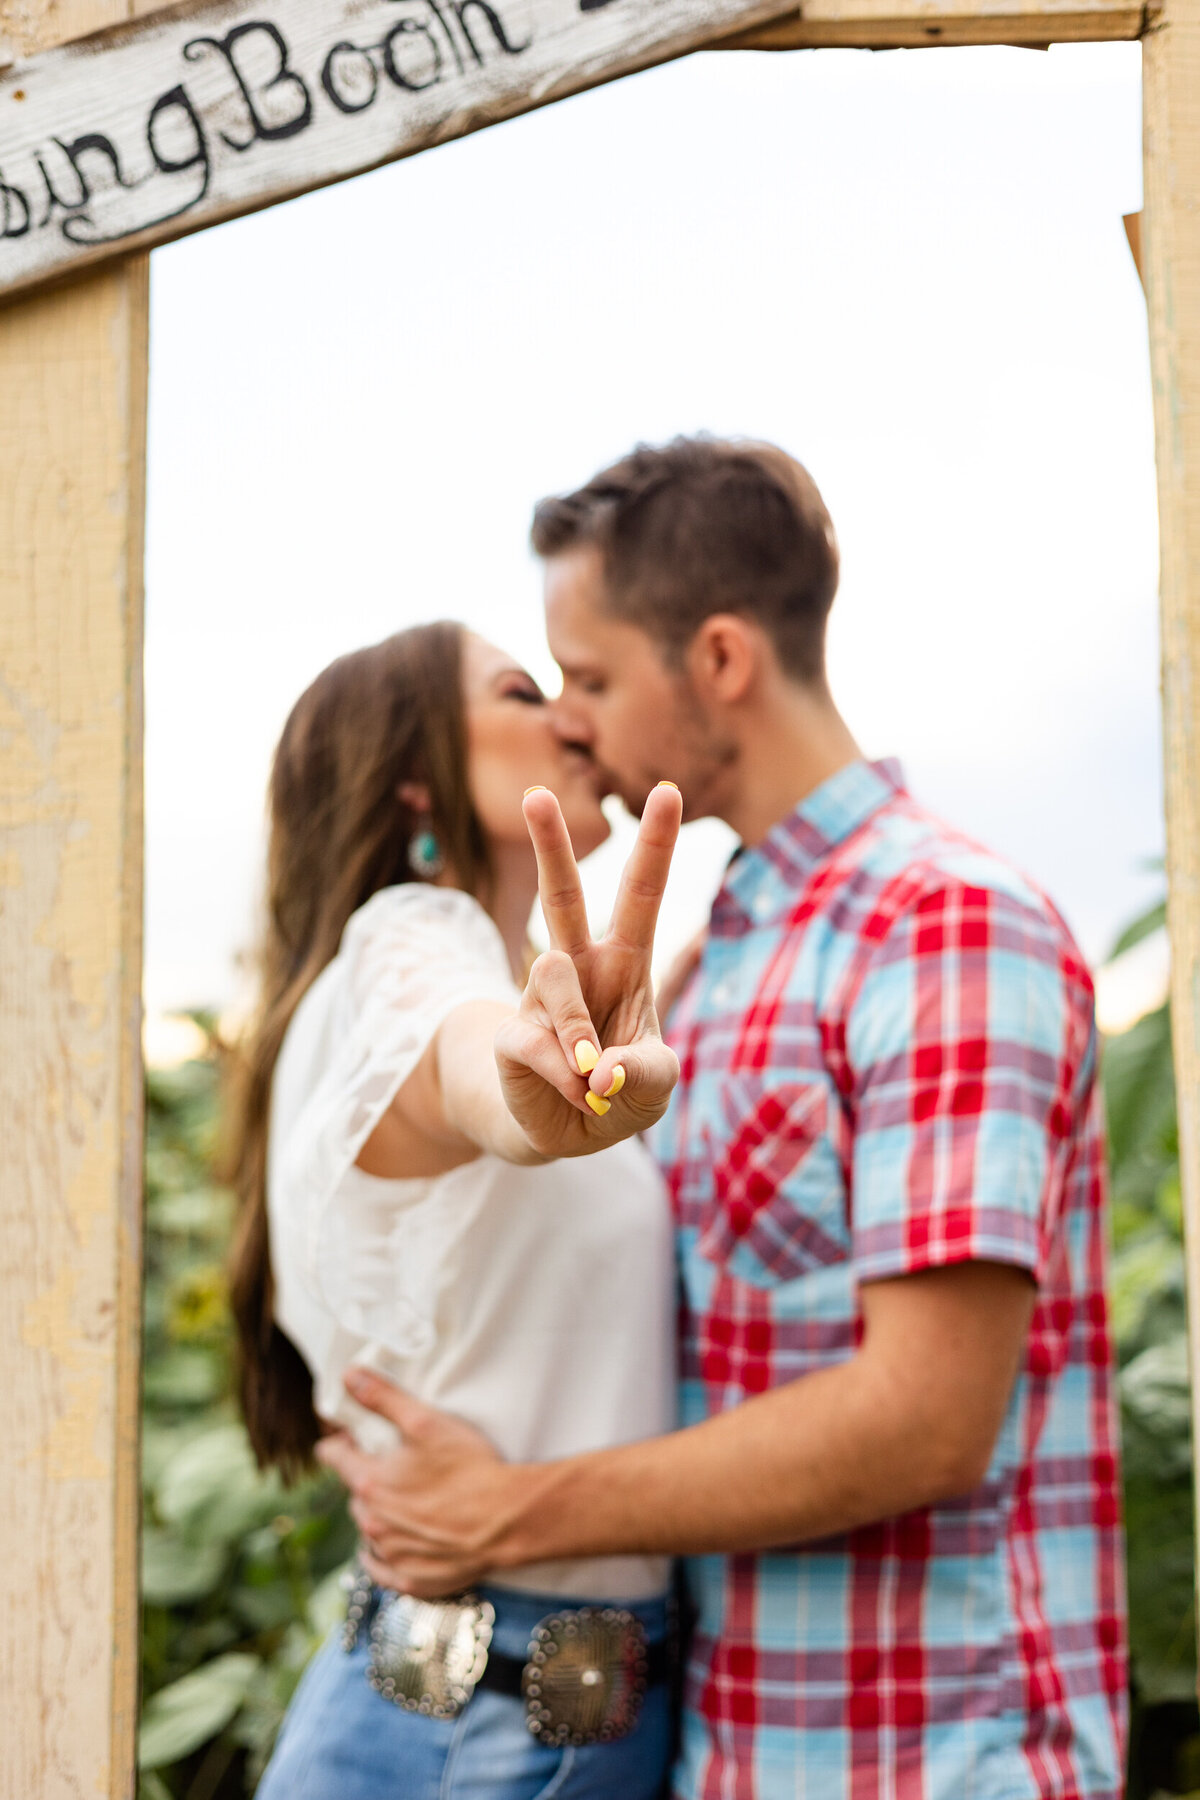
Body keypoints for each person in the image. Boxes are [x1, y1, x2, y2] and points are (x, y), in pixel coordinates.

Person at [318, 438, 1129, 1800]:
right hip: (744, 1748)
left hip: (933, 1756)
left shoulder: (939, 925)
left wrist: (509, 1513)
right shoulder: (713, 962)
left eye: (589, 677)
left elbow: (925, 1417)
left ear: (720, 660)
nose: (570, 720)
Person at [223, 619, 688, 1800]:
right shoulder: (408, 943)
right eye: (526, 691)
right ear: (418, 775)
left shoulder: (455, 977)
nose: (573, 719)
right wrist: (535, 1097)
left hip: (477, 1704)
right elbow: (466, 1065)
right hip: (490, 1725)